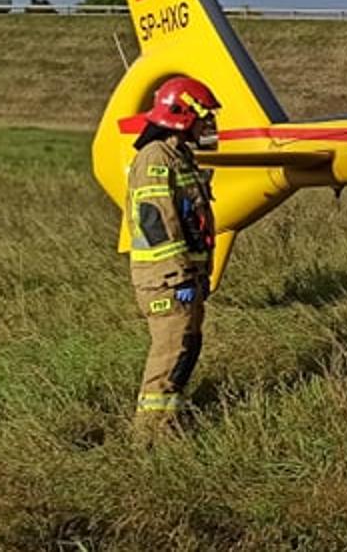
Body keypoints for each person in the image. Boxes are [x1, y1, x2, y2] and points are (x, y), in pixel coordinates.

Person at [125, 76, 220, 442]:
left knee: (186, 350)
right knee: (169, 355)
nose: (208, 125)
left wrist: (199, 273)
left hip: (185, 276)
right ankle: (149, 437)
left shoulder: (179, 156)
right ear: (182, 114)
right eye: (203, 117)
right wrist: (179, 275)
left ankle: (170, 422)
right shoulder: (155, 158)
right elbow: (157, 222)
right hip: (166, 279)